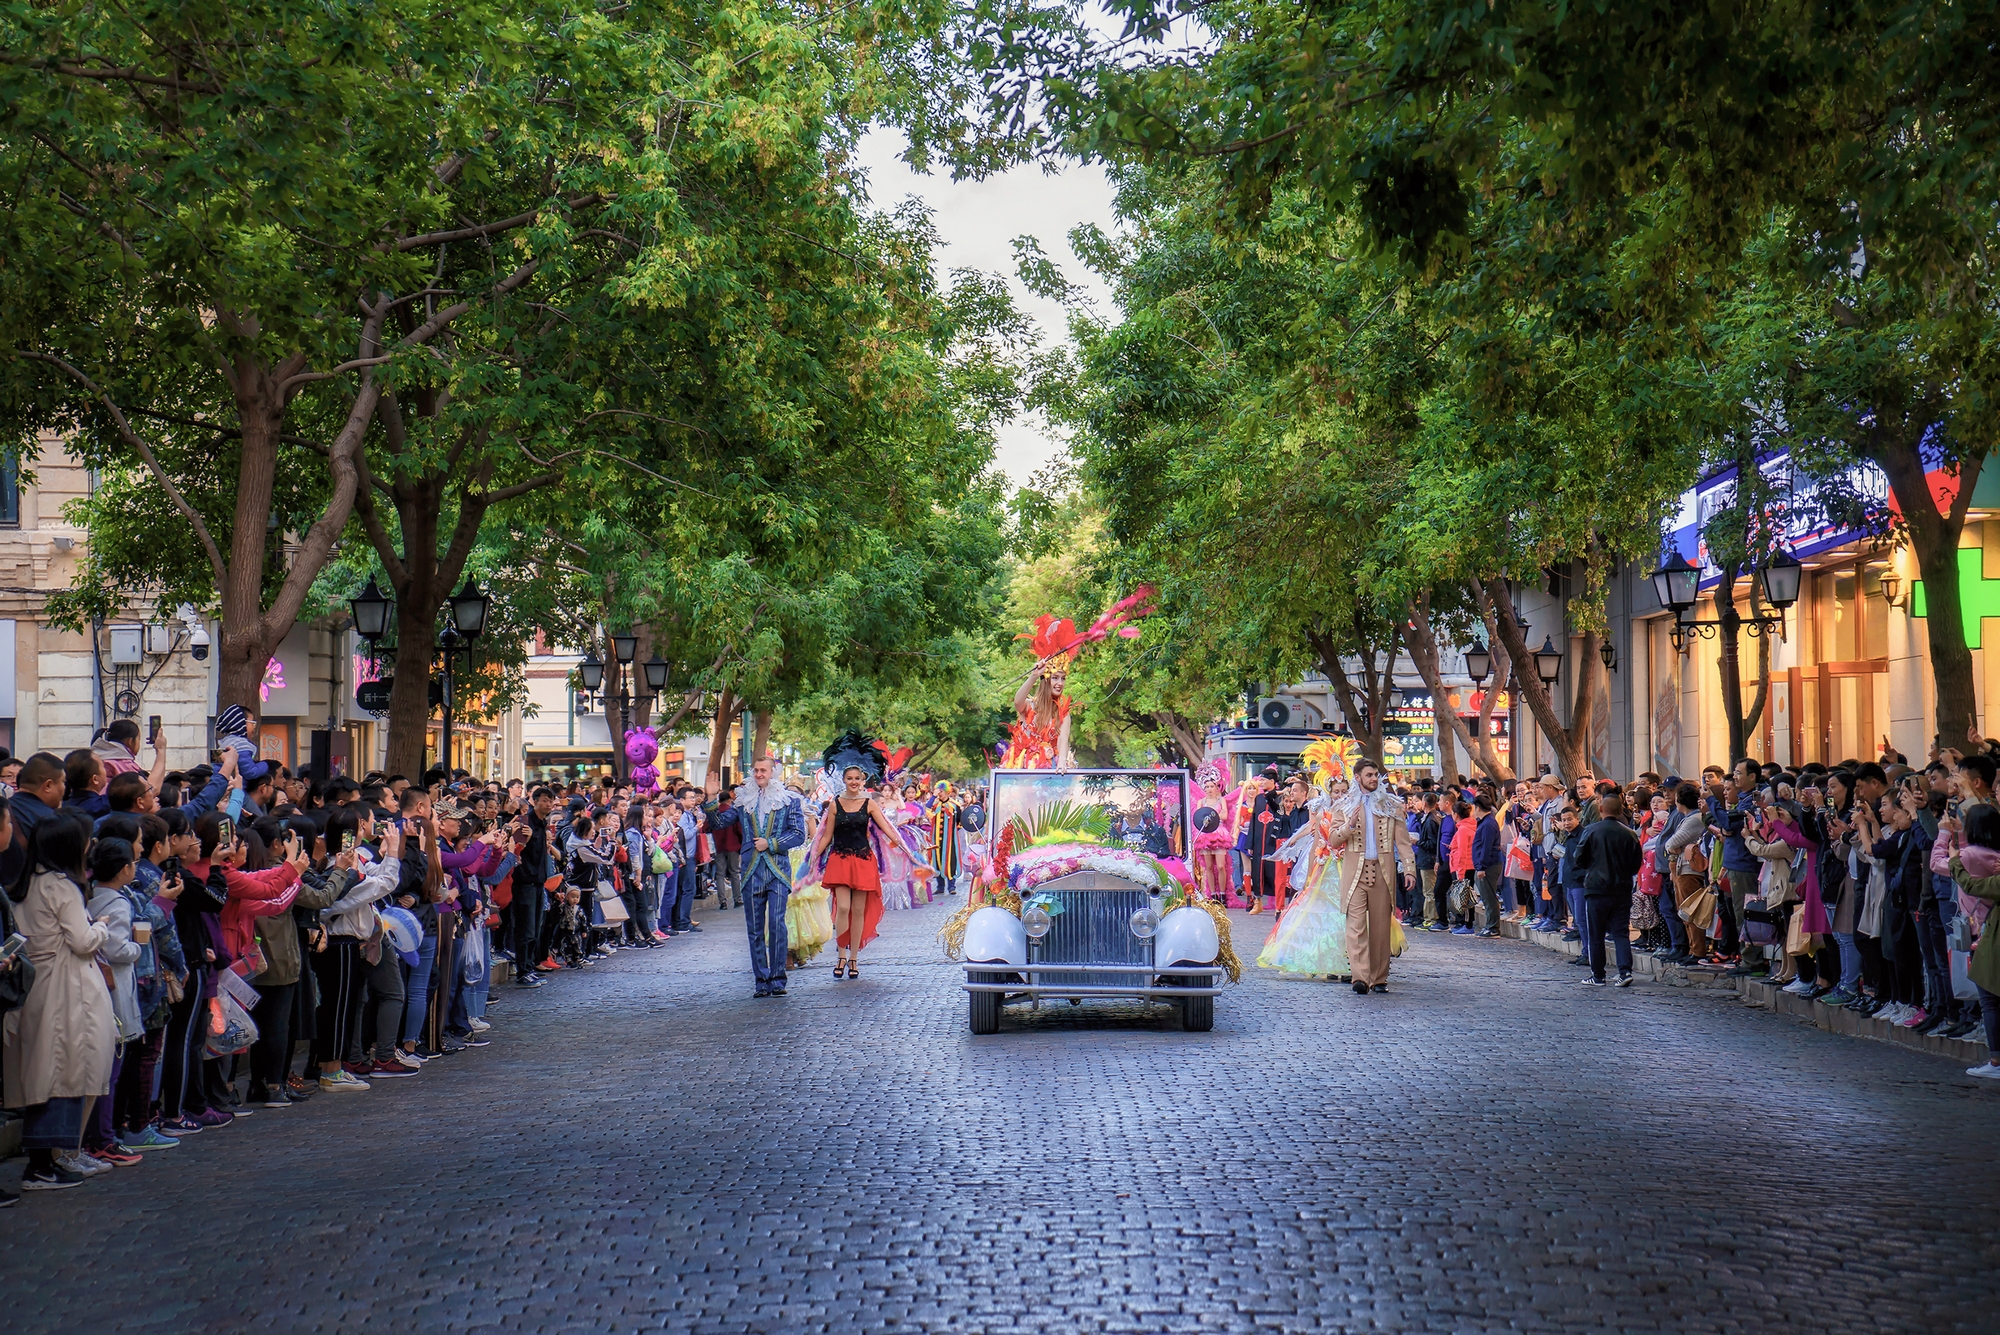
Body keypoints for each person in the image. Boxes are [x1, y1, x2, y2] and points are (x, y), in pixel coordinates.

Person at [4, 808, 115, 1189]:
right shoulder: (61, 885)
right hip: (68, 988)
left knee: (45, 1071)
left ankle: (54, 1157)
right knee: (66, 1071)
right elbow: (82, 941)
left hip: (39, 985)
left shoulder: (25, 881)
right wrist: (101, 927)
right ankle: (45, 1162)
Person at [719, 756, 805, 997]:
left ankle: (778, 978)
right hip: (750, 872)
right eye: (755, 770)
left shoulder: (789, 801)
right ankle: (761, 980)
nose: (759, 774)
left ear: (773, 772)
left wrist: (772, 843)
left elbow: (799, 833)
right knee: (754, 928)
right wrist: (712, 800)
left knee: (777, 924)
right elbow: (718, 823)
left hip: (777, 870)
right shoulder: (743, 800)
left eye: (763, 770)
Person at [1327, 760, 1414, 995]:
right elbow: (1333, 840)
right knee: (1355, 927)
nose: (1374, 778)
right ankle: (1360, 977)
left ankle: (1379, 978)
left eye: (1376, 774)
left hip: (1382, 873)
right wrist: (1350, 825)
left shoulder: (1391, 805)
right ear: (1357, 777)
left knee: (1380, 928)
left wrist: (1409, 869)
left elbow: (1403, 842)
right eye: (1369, 775)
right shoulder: (1343, 806)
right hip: (1355, 873)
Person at [1570, 790, 1643, 986]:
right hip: (1621, 888)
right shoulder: (1629, 834)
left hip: (1596, 888)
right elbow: (1637, 862)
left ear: (1601, 809)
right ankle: (1624, 971)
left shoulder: (1591, 831)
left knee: (1596, 933)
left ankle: (1598, 974)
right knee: (1620, 932)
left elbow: (1579, 858)